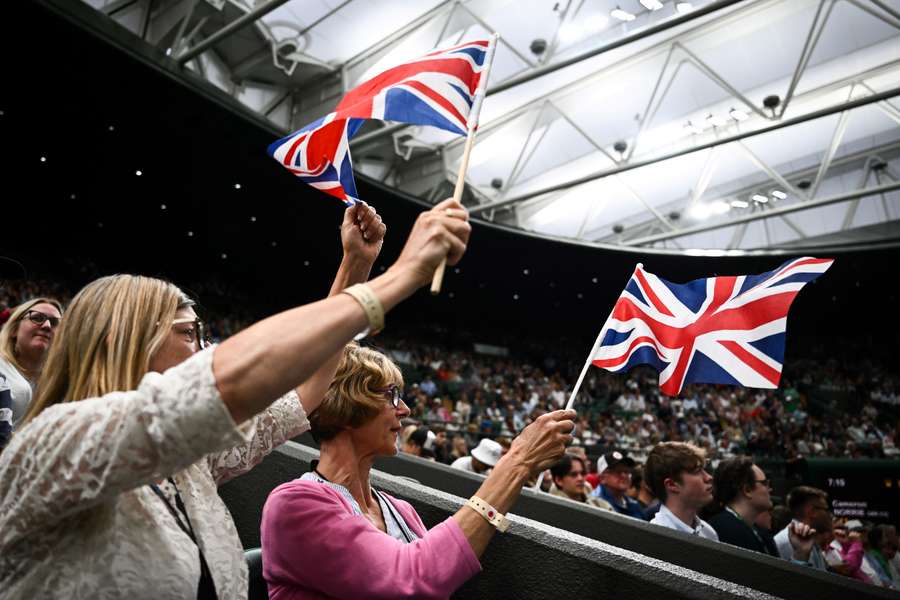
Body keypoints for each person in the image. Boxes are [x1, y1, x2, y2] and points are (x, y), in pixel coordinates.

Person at [0, 198, 470, 598]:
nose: (204, 347)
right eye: (189, 333)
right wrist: (400, 277)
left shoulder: (189, 466)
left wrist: (356, 266)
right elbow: (227, 381)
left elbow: (305, 392)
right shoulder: (55, 442)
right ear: (123, 342)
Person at [260, 343, 576, 599]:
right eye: (391, 395)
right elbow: (414, 579)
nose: (405, 410)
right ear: (344, 406)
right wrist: (517, 462)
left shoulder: (401, 510)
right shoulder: (294, 504)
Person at [0, 297, 63, 437]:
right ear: (14, 330)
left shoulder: (63, 385)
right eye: (37, 318)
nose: (47, 325)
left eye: (54, 322)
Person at [707, 457, 780, 556]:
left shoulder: (759, 531)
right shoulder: (722, 530)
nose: (770, 489)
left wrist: (800, 554)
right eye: (765, 483)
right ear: (747, 490)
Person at [645, 442, 718, 540]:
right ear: (671, 485)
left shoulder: (709, 533)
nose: (708, 477)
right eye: (697, 471)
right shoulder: (655, 537)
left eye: (704, 470)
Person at [773, 486, 829, 570]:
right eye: (825, 509)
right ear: (811, 511)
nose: (829, 515)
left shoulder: (807, 537)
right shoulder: (790, 541)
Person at [590, 450, 645, 519]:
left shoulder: (633, 504)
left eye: (626, 471)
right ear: (602, 478)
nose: (624, 476)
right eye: (617, 471)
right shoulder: (594, 504)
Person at [548, 454, 613, 511]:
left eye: (582, 473)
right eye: (573, 475)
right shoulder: (551, 508)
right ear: (559, 480)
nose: (580, 478)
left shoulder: (598, 503)